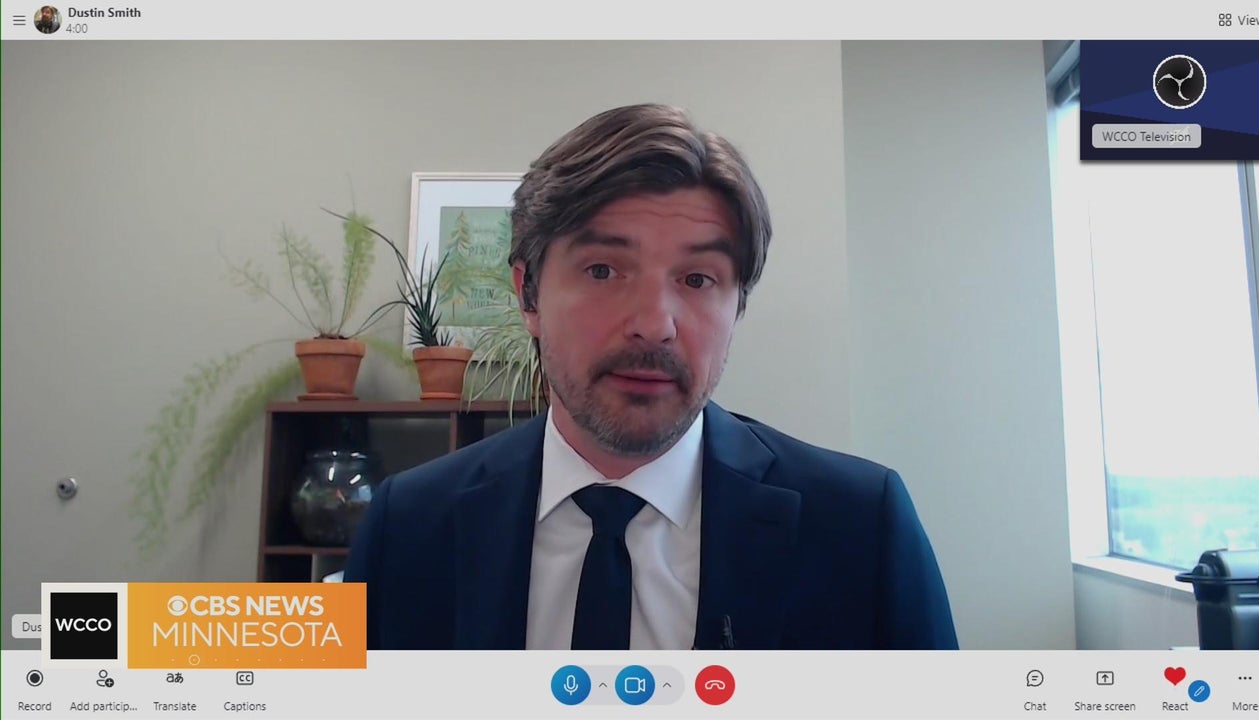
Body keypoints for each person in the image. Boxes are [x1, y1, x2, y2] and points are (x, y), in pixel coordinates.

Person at [345, 103, 958, 650]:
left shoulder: (862, 525)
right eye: (604, 271)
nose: (654, 325)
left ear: (737, 308)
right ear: (528, 293)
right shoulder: (406, 523)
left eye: (697, 280)